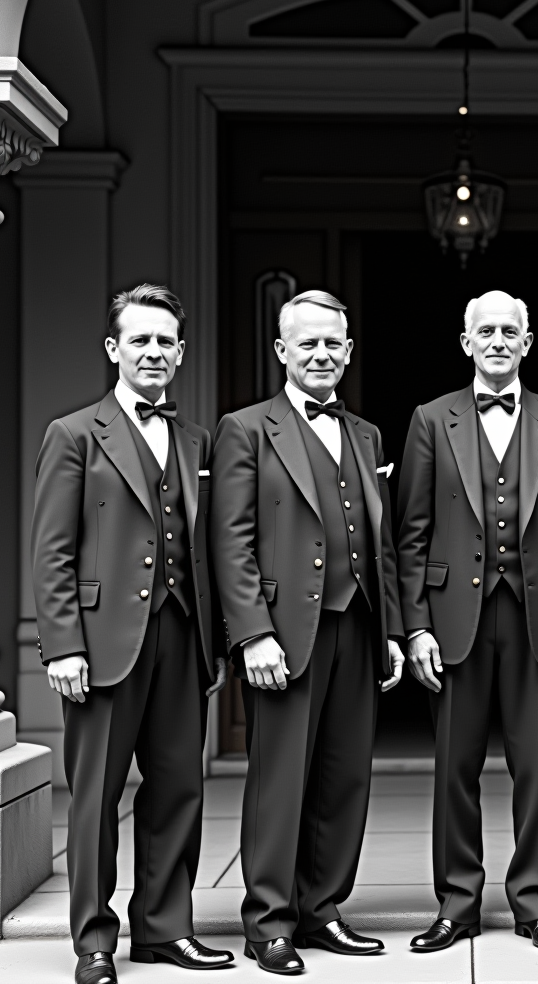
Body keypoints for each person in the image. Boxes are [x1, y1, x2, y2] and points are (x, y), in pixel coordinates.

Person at [31, 285, 232, 984]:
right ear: (114, 349)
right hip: (102, 641)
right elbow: (52, 548)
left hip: (184, 635)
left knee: (179, 786)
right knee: (96, 799)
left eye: (164, 341)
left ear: (180, 353)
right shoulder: (73, 434)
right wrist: (62, 644)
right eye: (139, 340)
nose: (153, 352)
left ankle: (164, 929)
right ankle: (93, 940)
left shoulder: (197, 439)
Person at [210, 290, 405, 975]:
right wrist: (252, 634)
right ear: (281, 351)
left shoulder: (367, 435)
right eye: (308, 343)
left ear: (348, 352)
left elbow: (379, 545)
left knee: (345, 774)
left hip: (358, 626)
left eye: (333, 344)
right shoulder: (244, 428)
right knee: (280, 780)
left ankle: (322, 909)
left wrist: (392, 630)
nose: (321, 355)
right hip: (283, 633)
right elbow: (230, 542)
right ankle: (268, 922)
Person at [397, 290, 538, 952]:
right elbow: (413, 533)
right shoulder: (430, 419)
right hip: (454, 619)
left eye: (510, 331)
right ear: (466, 342)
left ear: (528, 342)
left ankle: (535, 901)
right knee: (454, 768)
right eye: (486, 331)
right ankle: (457, 903)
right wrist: (417, 626)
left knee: (537, 769)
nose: (498, 341)